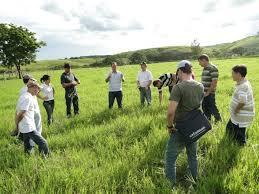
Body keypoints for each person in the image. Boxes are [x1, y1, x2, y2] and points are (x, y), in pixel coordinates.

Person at [165, 60, 204, 185]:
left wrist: (170, 126)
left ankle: (170, 185)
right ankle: (193, 181)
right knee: (192, 156)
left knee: (170, 158)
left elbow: (171, 112)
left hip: (180, 127)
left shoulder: (178, 87)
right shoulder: (200, 86)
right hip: (195, 126)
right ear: (191, 71)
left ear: (180, 71)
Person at [15, 81, 49, 156]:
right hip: (28, 126)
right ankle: (45, 159)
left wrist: (17, 126)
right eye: (38, 89)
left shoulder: (23, 96)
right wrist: (17, 125)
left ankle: (28, 158)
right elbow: (21, 114)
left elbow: (16, 112)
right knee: (43, 143)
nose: (38, 91)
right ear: (33, 88)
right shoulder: (27, 98)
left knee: (28, 146)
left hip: (24, 126)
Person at [226, 65, 255, 146]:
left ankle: (241, 146)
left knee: (240, 135)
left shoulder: (243, 86)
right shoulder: (243, 82)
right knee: (230, 129)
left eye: (233, 73)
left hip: (241, 115)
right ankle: (230, 142)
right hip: (237, 115)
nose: (231, 75)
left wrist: (236, 110)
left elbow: (242, 102)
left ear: (238, 74)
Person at [198, 54, 222, 122]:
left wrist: (208, 93)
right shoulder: (205, 68)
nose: (199, 64)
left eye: (200, 62)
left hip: (209, 93)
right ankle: (208, 122)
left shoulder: (213, 68)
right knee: (205, 108)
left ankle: (219, 120)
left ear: (204, 60)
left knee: (212, 107)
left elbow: (214, 82)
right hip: (204, 93)